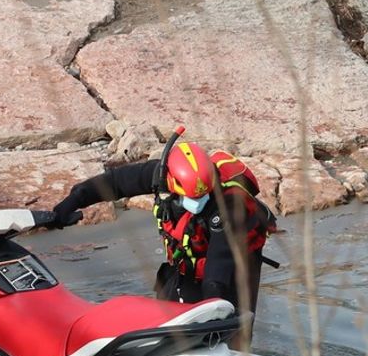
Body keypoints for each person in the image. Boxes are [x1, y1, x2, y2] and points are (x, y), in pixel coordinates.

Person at [48, 137, 276, 331]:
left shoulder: (229, 208)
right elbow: (114, 183)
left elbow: (218, 270)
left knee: (229, 325)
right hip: (188, 262)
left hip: (234, 266)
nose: (198, 203)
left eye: (202, 197)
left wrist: (211, 315)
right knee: (171, 320)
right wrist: (73, 201)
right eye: (192, 198)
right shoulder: (161, 175)